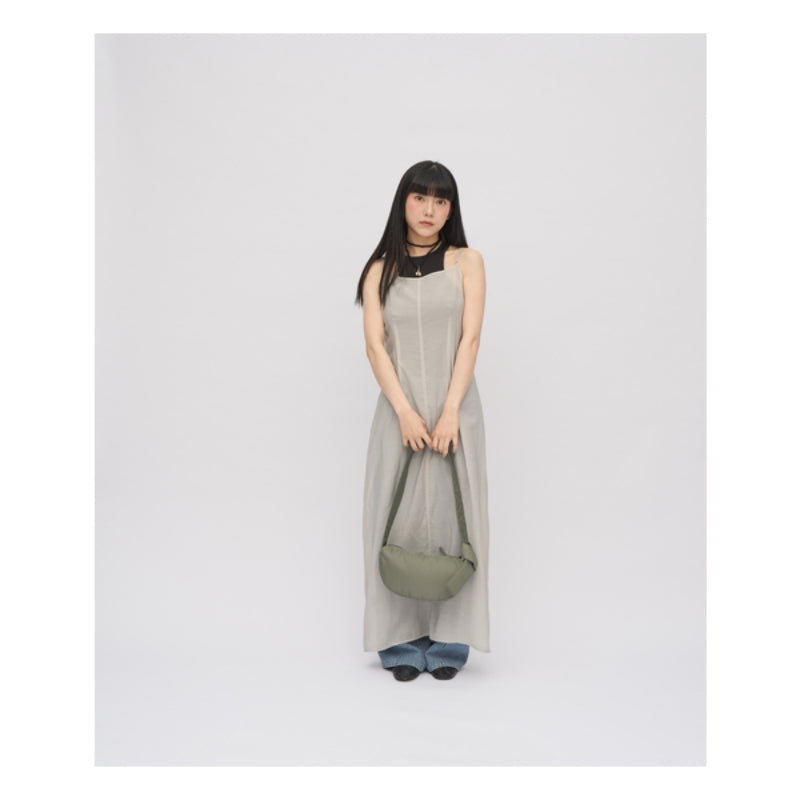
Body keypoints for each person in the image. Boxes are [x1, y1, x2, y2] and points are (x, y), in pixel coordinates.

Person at [354, 160, 490, 682]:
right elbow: (375, 347)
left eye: (440, 200)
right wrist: (407, 412)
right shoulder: (378, 270)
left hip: (457, 409)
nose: (429, 210)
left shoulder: (467, 261)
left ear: (451, 209)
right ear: (403, 202)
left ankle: (451, 639)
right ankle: (398, 640)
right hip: (399, 412)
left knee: (458, 519)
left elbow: (470, 338)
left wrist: (451, 409)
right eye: (420, 197)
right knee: (393, 518)